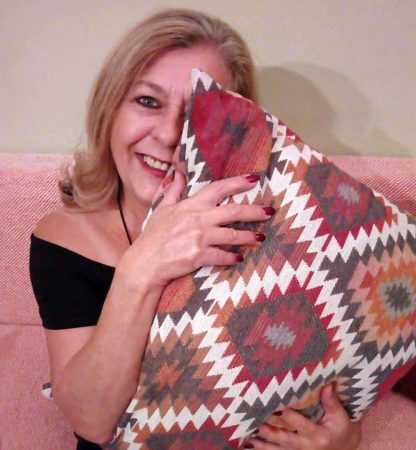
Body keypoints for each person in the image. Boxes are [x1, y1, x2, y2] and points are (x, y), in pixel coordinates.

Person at [30, 8, 361, 450]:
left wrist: (341, 440)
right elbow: (91, 421)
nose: (170, 135)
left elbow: (324, 373)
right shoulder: (66, 239)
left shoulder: (279, 223)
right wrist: (142, 268)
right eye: (148, 101)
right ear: (109, 108)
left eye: (195, 114)